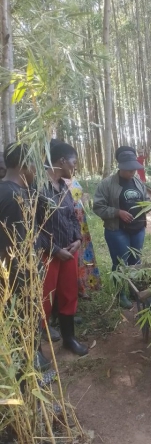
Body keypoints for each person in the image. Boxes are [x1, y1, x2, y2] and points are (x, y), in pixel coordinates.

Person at [0, 143, 51, 372]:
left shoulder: (11, 191)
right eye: (34, 165)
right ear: (23, 165)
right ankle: (31, 379)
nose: (36, 171)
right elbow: (17, 248)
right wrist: (31, 279)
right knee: (23, 328)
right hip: (18, 279)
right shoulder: (13, 197)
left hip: (12, 277)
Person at [40, 140, 88, 356]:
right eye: (73, 162)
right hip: (47, 254)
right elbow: (29, 226)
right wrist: (53, 248)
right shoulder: (38, 187)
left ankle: (69, 338)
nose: (74, 167)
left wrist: (78, 238)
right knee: (44, 301)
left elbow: (71, 216)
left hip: (69, 251)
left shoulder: (63, 186)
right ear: (61, 161)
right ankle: (36, 353)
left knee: (69, 295)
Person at [93, 148, 148, 309]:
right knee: (120, 264)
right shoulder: (107, 184)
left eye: (134, 169)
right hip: (117, 230)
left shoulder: (138, 182)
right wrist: (117, 212)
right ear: (121, 167)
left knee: (135, 262)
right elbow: (98, 207)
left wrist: (147, 207)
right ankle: (120, 294)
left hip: (138, 229)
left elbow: (145, 199)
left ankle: (134, 290)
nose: (133, 172)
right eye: (129, 169)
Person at [64, 177, 101, 299]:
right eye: (72, 162)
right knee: (76, 255)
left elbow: (78, 197)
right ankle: (78, 288)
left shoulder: (72, 178)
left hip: (82, 224)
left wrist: (84, 198)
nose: (73, 165)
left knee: (84, 253)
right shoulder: (54, 181)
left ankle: (87, 284)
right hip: (70, 226)